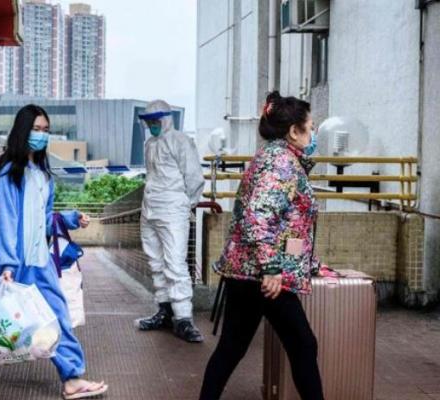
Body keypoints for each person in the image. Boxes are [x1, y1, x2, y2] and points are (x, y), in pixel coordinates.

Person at [0, 105, 108, 400]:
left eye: (44, 130)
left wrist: (68, 219)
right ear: (22, 131)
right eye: (35, 129)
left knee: (58, 316)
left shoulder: (42, 173)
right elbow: (8, 220)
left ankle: (72, 378)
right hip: (12, 262)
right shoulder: (9, 172)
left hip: (39, 262)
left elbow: (43, 219)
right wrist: (8, 263)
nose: (40, 135)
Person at [199, 91, 324, 400]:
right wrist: (271, 268)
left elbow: (290, 226)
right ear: (294, 130)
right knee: (303, 345)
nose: (314, 133)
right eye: (311, 126)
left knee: (232, 348)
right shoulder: (281, 163)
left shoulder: (277, 158)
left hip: (248, 272)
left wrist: (312, 264)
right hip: (263, 276)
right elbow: (260, 215)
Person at [134, 99, 206, 343]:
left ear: (166, 119)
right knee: (156, 262)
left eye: (156, 121)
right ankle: (164, 310)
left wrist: (185, 204)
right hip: (150, 210)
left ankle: (184, 318)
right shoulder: (149, 144)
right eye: (149, 122)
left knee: (175, 264)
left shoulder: (180, 140)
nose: (152, 125)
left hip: (173, 210)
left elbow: (194, 178)